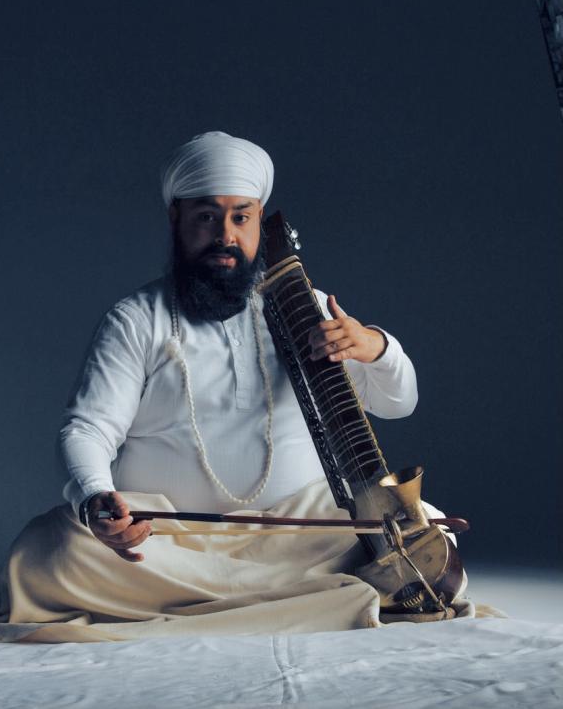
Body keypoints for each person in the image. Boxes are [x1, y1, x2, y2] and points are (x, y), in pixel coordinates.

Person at [60, 130, 418, 563]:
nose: (225, 235)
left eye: (240, 218)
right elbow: (88, 429)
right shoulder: (136, 319)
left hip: (302, 535)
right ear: (177, 218)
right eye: (208, 217)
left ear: (259, 218)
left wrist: (375, 346)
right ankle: (299, 594)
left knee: (419, 530)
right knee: (52, 551)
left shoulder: (307, 308)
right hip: (168, 541)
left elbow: (399, 404)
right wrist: (98, 498)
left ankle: (246, 590)